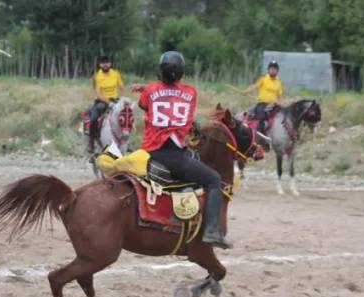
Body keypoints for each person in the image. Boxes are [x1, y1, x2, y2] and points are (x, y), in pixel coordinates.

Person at [133, 51, 232, 250]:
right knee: (213, 179)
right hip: (173, 154)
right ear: (181, 73)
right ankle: (212, 230)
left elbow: (146, 103)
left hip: (149, 152)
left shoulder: (150, 91)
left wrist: (147, 88)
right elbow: (173, 98)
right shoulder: (190, 93)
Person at [87, 55, 124, 152]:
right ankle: (91, 141)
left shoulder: (116, 74)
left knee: (127, 117)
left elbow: (122, 87)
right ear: (100, 65)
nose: (105, 65)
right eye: (103, 63)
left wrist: (125, 99)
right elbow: (98, 93)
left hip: (115, 100)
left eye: (107, 63)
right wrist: (108, 102)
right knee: (93, 118)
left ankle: (125, 141)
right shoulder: (97, 76)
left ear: (110, 64)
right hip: (102, 101)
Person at [242, 60, 285, 135]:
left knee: (283, 116)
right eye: (271, 69)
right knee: (261, 117)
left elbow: (280, 96)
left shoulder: (279, 82)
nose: (273, 70)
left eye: (275, 69)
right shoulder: (263, 79)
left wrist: (283, 104)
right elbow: (254, 86)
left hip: (274, 105)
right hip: (263, 104)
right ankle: (258, 135)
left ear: (277, 71)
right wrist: (247, 91)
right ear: (268, 70)